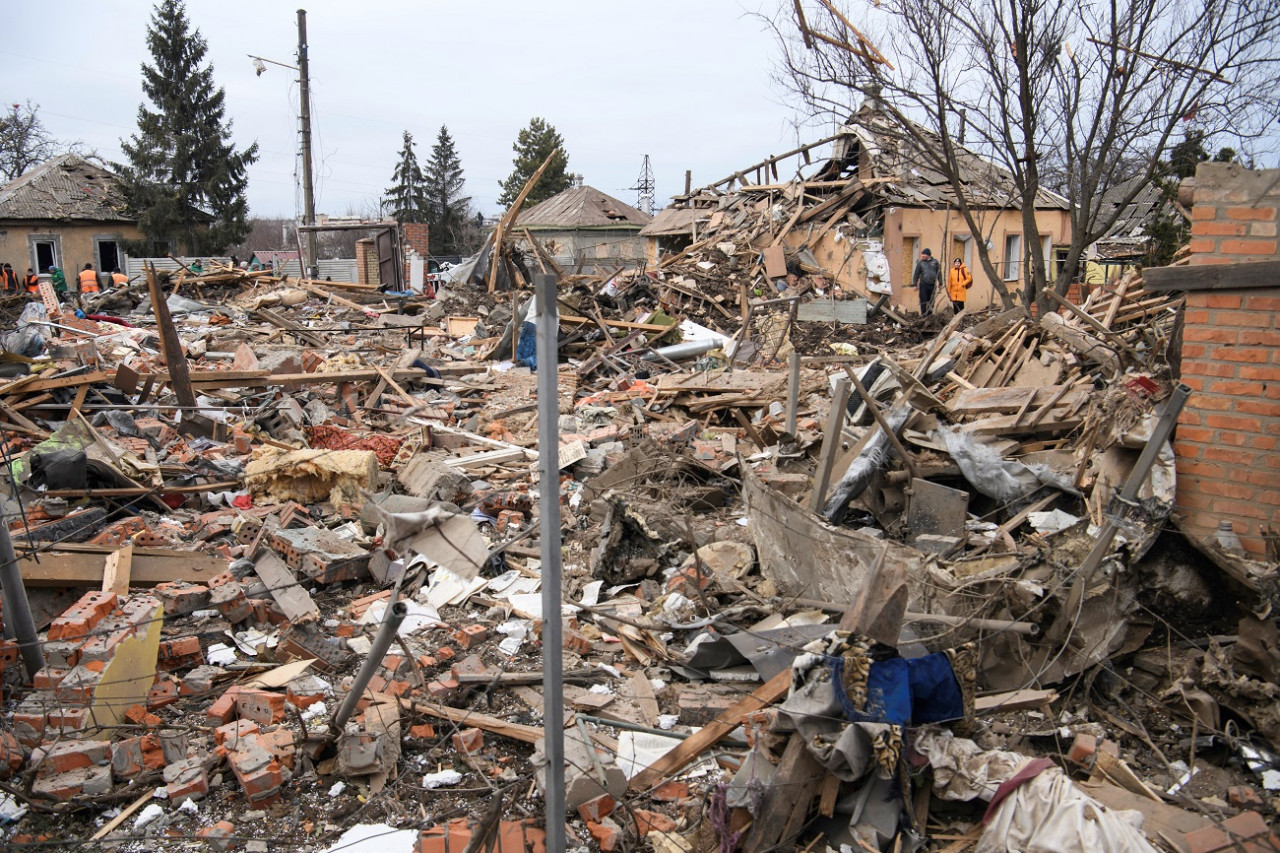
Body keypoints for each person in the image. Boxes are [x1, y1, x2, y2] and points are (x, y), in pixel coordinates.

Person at [910, 248, 941, 317]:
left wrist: (940, 283)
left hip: (932, 285)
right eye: (922, 255)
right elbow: (916, 274)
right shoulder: (920, 263)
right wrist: (915, 284)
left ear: (928, 255)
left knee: (931, 300)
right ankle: (923, 315)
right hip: (923, 285)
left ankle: (929, 315)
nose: (922, 257)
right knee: (923, 300)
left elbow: (939, 273)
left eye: (924, 255)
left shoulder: (935, 262)